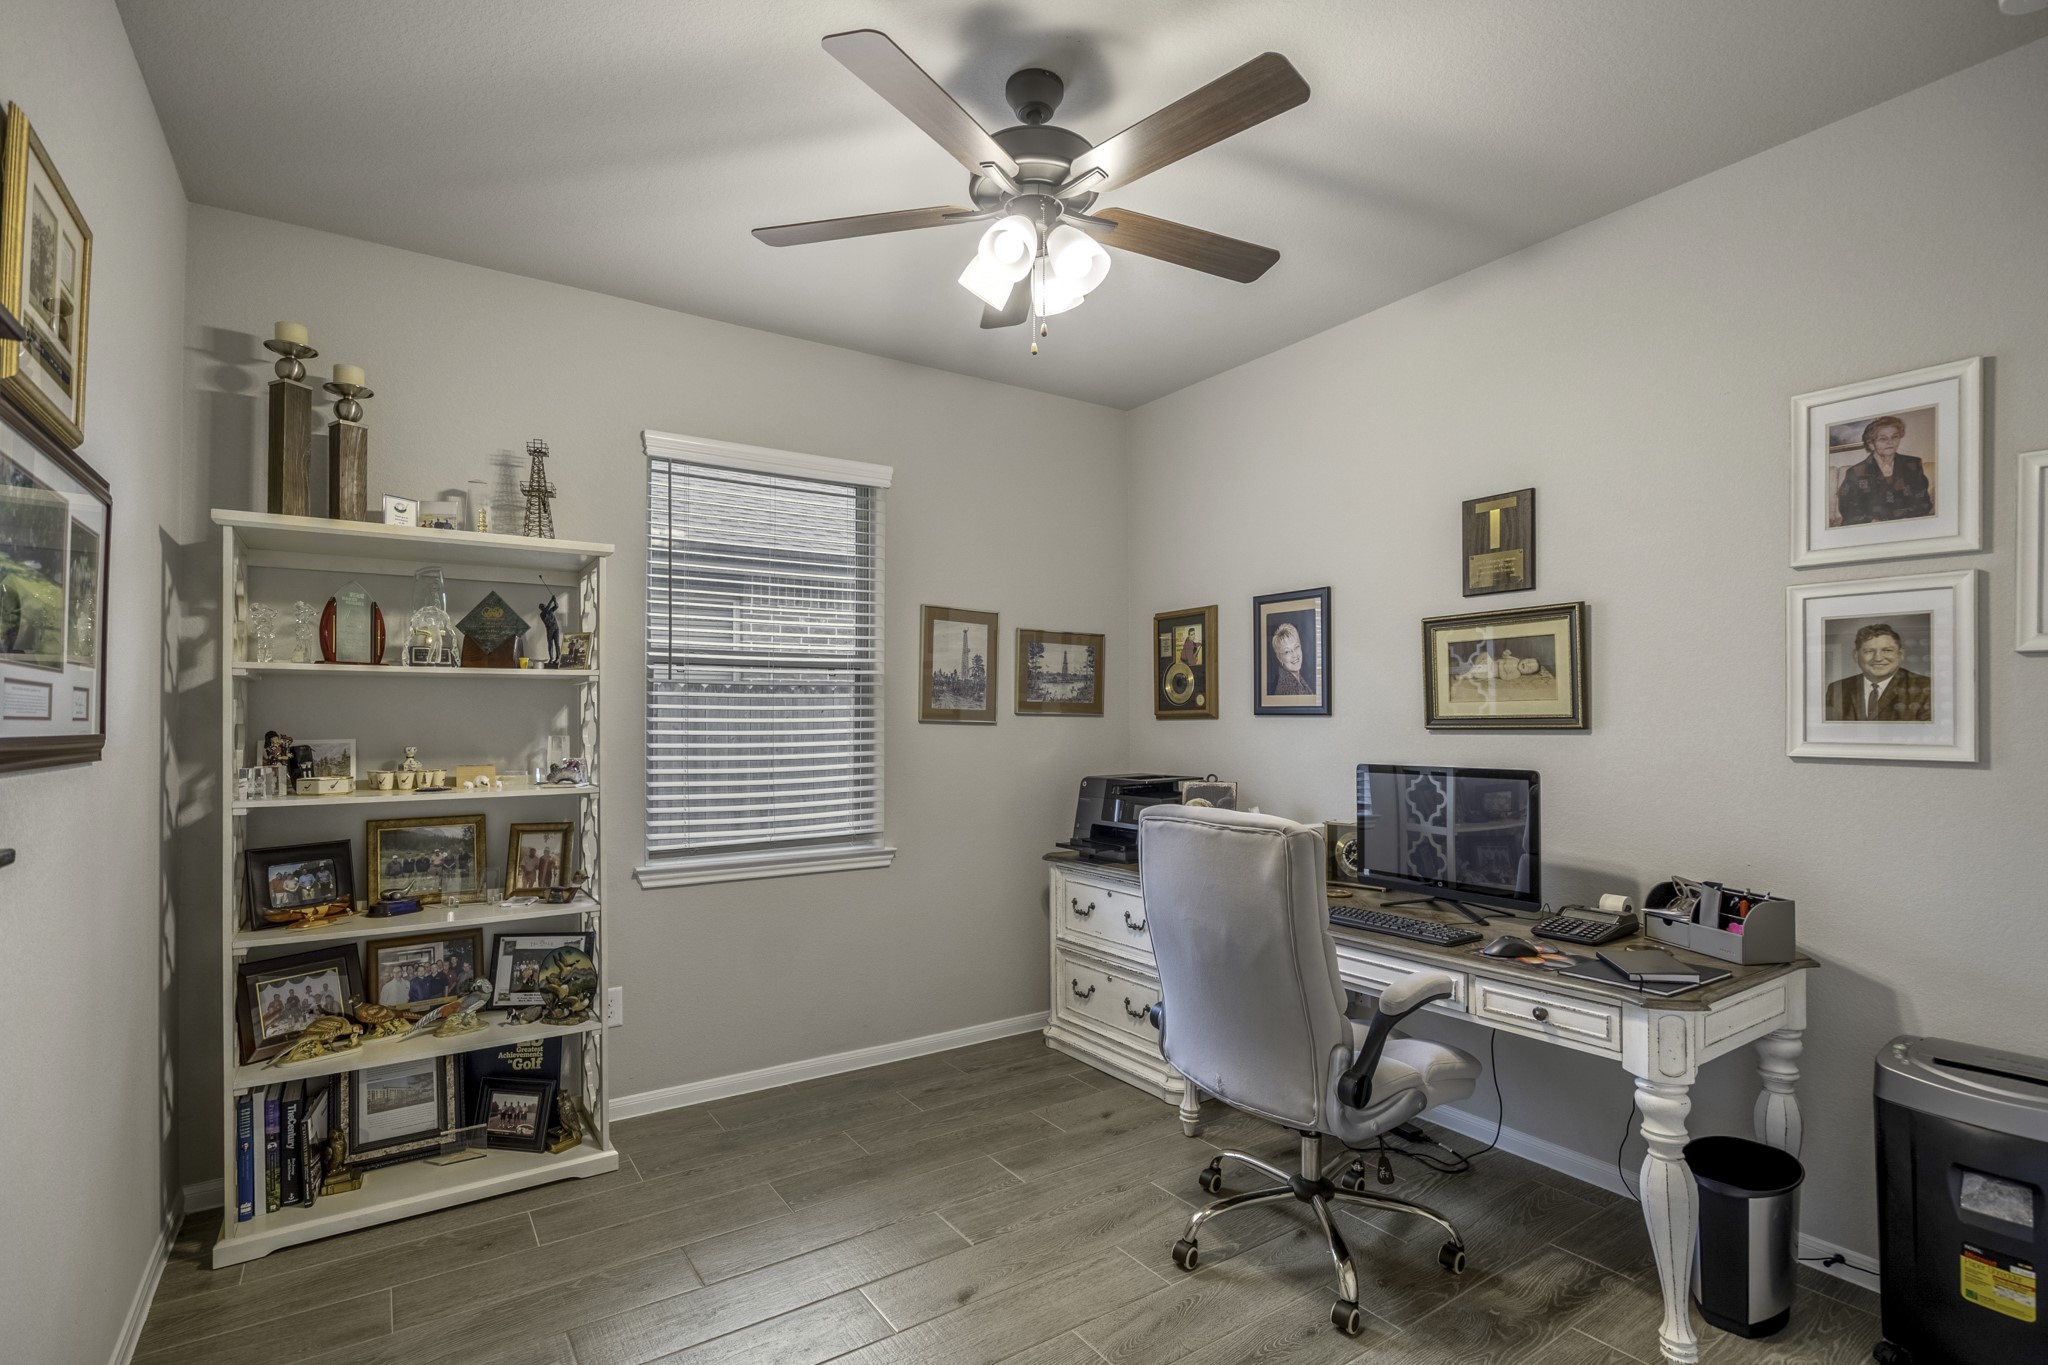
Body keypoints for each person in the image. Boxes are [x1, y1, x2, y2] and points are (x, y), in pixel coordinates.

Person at [1835, 415, 1932, 525]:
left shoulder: (1913, 464)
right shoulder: (1856, 472)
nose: (1890, 442)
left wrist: (1905, 521)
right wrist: (1873, 522)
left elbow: (1923, 502)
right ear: (1871, 444)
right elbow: (1849, 511)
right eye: (1883, 439)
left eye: (1895, 437)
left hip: (1908, 525)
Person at [1823, 622, 1932, 721]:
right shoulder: (1837, 689)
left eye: (1887, 650)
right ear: (1856, 656)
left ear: (1901, 654)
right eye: (1869, 651)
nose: (1878, 658)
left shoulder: (1926, 687)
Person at [1267, 622, 1313, 695]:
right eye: (1287, 652)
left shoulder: (1299, 681)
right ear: (1279, 658)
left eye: (1296, 647)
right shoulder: (1286, 689)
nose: (1294, 655)